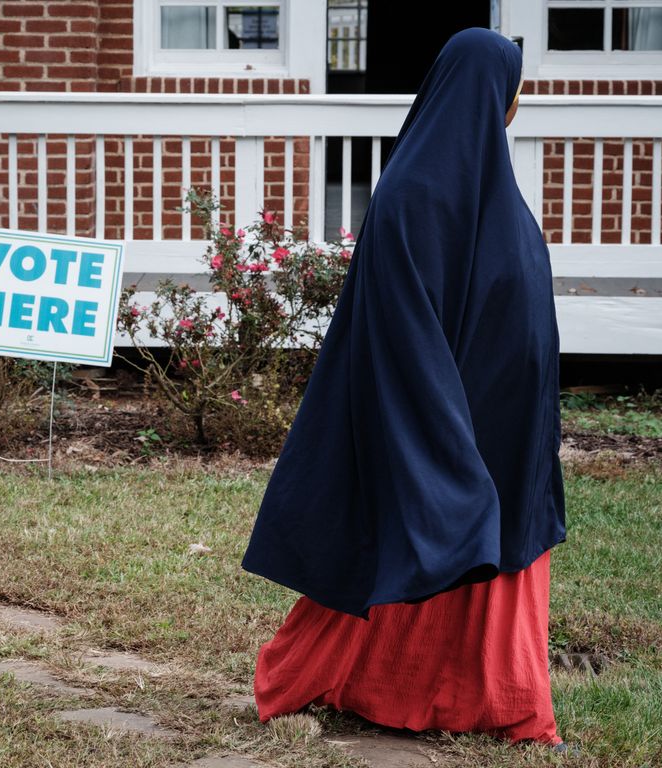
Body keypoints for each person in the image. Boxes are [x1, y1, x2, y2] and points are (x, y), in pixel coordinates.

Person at [239, 27, 571, 752]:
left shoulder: (492, 184)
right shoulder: (411, 193)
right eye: (514, 90)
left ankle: (485, 695)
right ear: (491, 92)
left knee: (494, 545)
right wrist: (441, 437)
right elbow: (399, 326)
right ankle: (376, 684)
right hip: (438, 410)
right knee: (426, 528)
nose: (517, 105)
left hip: (507, 420)